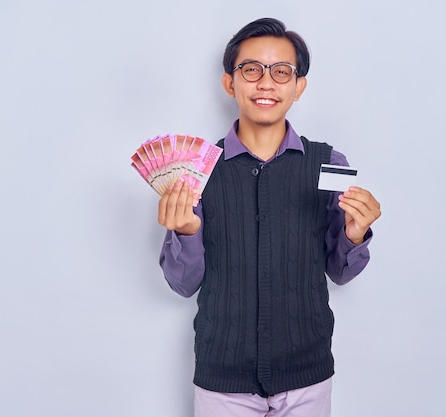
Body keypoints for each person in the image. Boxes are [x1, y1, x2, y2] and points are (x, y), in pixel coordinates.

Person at [157, 17, 381, 417]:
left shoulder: (329, 163)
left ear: (299, 87)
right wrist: (187, 233)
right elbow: (181, 283)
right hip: (222, 379)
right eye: (251, 69)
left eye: (281, 72)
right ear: (230, 83)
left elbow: (341, 272)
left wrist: (355, 234)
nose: (266, 83)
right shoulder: (198, 169)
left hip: (307, 376)